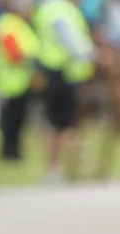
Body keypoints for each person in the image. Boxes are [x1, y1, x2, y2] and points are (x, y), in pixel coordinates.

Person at [34, 0, 96, 180]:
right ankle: (62, 167)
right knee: (62, 123)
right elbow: (68, 37)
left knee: (59, 123)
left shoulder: (54, 8)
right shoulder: (59, 9)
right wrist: (89, 54)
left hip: (62, 71)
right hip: (61, 71)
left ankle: (62, 167)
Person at [0, 0, 41, 162]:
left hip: (19, 80)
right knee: (10, 121)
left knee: (17, 120)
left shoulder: (17, 25)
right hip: (11, 82)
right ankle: (9, 154)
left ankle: (14, 153)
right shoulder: (8, 25)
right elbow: (14, 53)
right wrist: (29, 59)